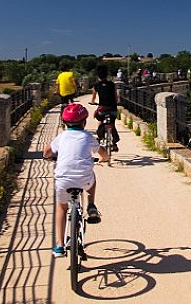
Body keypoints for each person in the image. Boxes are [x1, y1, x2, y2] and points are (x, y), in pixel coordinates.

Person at [43, 103, 108, 258]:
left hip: (63, 180)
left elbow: (46, 152)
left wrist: (49, 156)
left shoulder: (61, 137)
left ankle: (59, 245)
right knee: (92, 177)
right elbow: (103, 153)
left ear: (64, 123)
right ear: (84, 122)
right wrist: (103, 159)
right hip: (84, 179)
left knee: (61, 208)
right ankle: (91, 205)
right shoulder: (88, 137)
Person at [91, 65, 120, 151]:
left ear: (98, 75)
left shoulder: (96, 85)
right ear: (107, 75)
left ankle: (100, 137)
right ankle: (114, 143)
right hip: (112, 109)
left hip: (102, 109)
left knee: (100, 120)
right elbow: (116, 97)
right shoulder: (112, 84)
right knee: (112, 122)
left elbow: (93, 98)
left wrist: (93, 102)